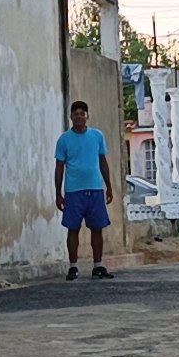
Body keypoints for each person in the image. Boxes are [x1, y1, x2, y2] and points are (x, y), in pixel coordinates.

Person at [54, 100, 115, 280]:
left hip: (95, 189)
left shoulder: (97, 136)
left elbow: (103, 161)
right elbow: (59, 167)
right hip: (74, 191)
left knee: (97, 228)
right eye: (75, 114)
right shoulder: (64, 139)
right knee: (73, 228)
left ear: (87, 116)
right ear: (71, 116)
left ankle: (98, 265)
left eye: (82, 113)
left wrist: (109, 186)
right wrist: (58, 193)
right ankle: (73, 266)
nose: (79, 116)